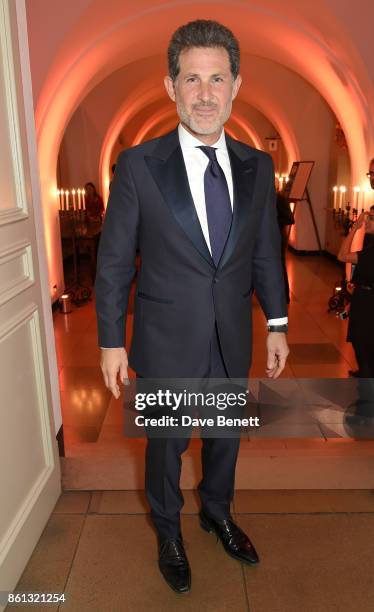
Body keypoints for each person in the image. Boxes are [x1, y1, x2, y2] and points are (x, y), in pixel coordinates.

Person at [95, 19, 289, 594]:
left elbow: (264, 252)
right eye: (192, 79)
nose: (205, 93)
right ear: (170, 86)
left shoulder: (258, 166)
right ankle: (168, 529)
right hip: (164, 337)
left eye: (217, 79)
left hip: (232, 332)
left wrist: (277, 321)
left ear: (236, 85)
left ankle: (217, 511)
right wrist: (111, 338)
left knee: (226, 437)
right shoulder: (138, 165)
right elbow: (112, 262)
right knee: (167, 445)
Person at [338, 210, 374, 377]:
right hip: (363, 299)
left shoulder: (370, 252)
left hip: (367, 303)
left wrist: (355, 228)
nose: (366, 221)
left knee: (361, 342)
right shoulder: (370, 244)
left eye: (371, 218)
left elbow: (342, 255)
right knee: (362, 343)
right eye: (368, 217)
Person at [276, 190, 294, 304]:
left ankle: (285, 296)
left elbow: (290, 219)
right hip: (261, 237)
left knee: (279, 266)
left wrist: (272, 220)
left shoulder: (280, 198)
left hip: (277, 237)